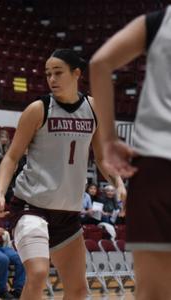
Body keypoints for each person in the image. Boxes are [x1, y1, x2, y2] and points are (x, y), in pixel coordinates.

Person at [0, 49, 126, 300]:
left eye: (58, 72)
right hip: (31, 207)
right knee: (38, 273)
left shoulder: (93, 109)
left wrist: (118, 182)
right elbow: (11, 156)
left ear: (77, 73)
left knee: (78, 289)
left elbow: (102, 157)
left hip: (68, 214)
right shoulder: (38, 109)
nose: (52, 78)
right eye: (48, 74)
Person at [90, 8, 171, 299]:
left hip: (154, 166)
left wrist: (109, 138)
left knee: (151, 294)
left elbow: (100, 62)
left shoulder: (159, 21)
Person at [0, 213, 25, 299]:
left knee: (21, 258)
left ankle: (17, 289)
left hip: (1, 246)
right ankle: (2, 290)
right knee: (3, 259)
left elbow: (1, 230)